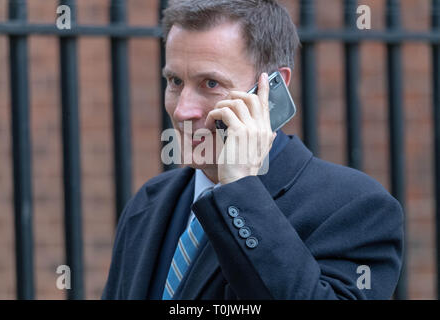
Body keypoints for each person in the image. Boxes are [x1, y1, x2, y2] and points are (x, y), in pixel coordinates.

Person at [102, 0, 403, 300]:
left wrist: (240, 189)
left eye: (210, 83)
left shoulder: (357, 207)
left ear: (271, 88)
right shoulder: (149, 202)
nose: (182, 110)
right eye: (175, 81)